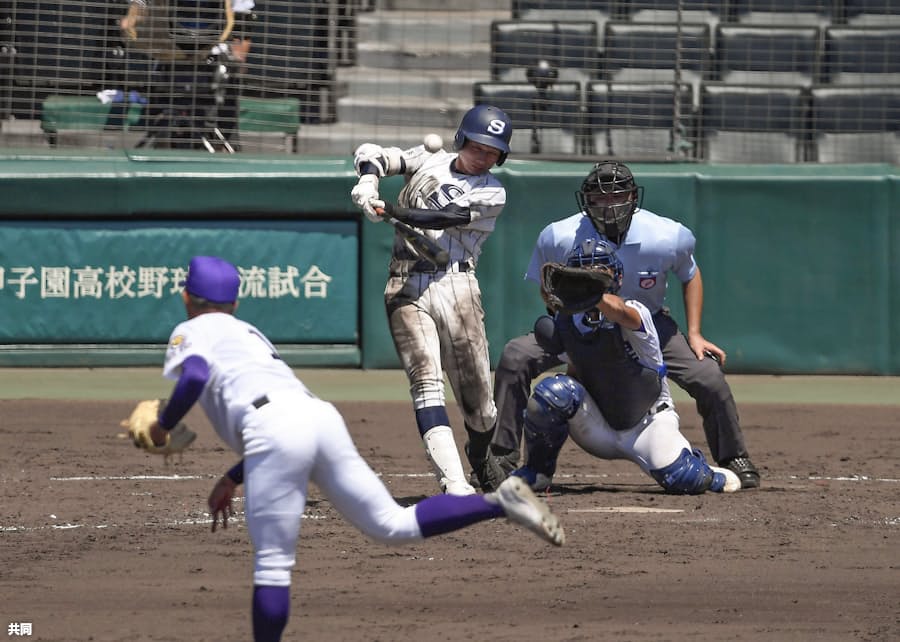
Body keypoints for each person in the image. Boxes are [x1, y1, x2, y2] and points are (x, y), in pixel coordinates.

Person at [143, 255, 564, 642]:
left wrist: (163, 426)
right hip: (318, 417)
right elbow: (283, 418)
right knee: (391, 524)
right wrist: (231, 478)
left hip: (272, 430)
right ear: (235, 303)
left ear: (186, 297)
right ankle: (502, 502)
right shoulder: (249, 335)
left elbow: (197, 377)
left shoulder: (192, 328)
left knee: (272, 564)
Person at [485, 160, 761, 491]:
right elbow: (547, 283)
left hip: (647, 322)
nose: (607, 206)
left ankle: (733, 457)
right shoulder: (558, 235)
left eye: (616, 197)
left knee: (708, 376)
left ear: (633, 197)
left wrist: (696, 333)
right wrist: (565, 315)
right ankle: (502, 457)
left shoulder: (666, 236)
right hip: (578, 319)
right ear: (585, 202)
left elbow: (690, 274)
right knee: (516, 356)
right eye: (599, 200)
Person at [349, 105, 513, 496]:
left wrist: (389, 209)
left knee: (481, 407)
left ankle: (479, 454)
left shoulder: (493, 191)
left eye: (493, 151)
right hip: (406, 282)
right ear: (462, 139)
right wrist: (368, 185)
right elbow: (371, 154)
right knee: (426, 381)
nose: (484, 156)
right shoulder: (429, 158)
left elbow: (442, 218)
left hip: (456, 285)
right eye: (478, 146)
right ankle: (454, 484)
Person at [511, 238, 741, 495]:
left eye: (598, 272)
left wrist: (592, 295)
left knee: (686, 479)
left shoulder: (636, 310)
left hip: (648, 423)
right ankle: (536, 472)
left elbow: (619, 312)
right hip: (600, 429)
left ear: (617, 277)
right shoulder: (567, 322)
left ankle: (710, 472)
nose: (589, 277)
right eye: (582, 272)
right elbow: (575, 373)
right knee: (552, 393)